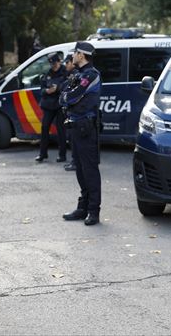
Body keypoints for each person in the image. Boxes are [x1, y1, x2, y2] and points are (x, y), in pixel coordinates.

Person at [59, 42, 102, 226]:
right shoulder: (78, 74)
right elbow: (63, 95)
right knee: (79, 169)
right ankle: (82, 207)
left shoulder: (91, 75)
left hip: (86, 128)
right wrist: (67, 98)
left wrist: (67, 98)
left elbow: (72, 96)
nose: (73, 56)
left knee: (90, 170)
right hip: (75, 126)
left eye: (75, 53)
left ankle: (93, 211)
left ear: (82, 55)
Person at [35, 53, 67, 163]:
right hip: (48, 104)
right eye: (51, 64)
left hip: (59, 104)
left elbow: (67, 86)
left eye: (55, 63)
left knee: (60, 129)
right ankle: (42, 154)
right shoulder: (47, 73)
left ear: (59, 61)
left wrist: (57, 88)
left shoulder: (65, 72)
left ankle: (62, 155)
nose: (53, 66)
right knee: (44, 127)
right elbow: (42, 90)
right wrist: (47, 91)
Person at [62, 54, 78, 171]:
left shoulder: (76, 74)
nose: (65, 65)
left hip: (75, 112)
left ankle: (76, 162)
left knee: (74, 139)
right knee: (71, 138)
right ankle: (74, 160)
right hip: (69, 111)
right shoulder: (69, 74)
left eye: (67, 62)